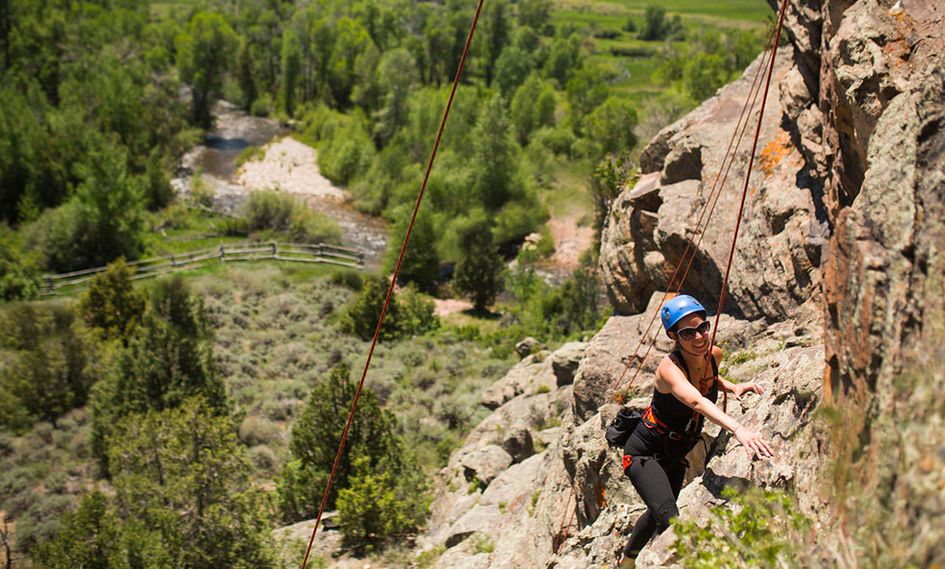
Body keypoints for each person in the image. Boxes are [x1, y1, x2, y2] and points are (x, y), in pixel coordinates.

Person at [617, 294, 773, 568]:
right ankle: (630, 563)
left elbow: (705, 378)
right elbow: (695, 400)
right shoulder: (669, 369)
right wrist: (739, 430)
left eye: (703, 327)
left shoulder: (713, 355)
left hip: (675, 454)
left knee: (657, 512)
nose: (700, 336)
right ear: (674, 336)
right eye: (688, 333)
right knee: (670, 518)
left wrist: (732, 386)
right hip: (643, 453)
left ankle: (626, 560)